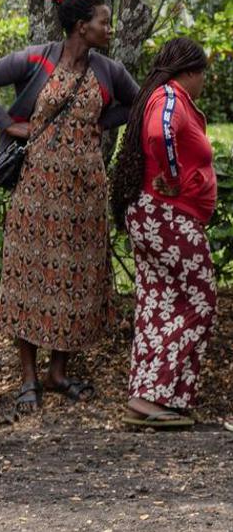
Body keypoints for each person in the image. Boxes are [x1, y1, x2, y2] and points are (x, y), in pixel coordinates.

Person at [0, 0, 139, 419]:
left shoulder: (108, 70)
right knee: (31, 280)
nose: (108, 28)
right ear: (82, 26)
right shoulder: (36, 60)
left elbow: (138, 102)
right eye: (103, 21)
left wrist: (102, 120)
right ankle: (28, 378)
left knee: (74, 281)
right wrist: (7, 123)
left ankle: (58, 373)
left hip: (85, 193)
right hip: (37, 191)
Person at [110, 38, 215, 429]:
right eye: (202, 73)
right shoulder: (170, 97)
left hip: (156, 215)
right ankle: (158, 394)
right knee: (198, 299)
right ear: (190, 71)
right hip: (165, 215)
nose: (204, 81)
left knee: (160, 304)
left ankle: (145, 400)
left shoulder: (162, 95)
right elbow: (159, 136)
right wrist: (172, 178)